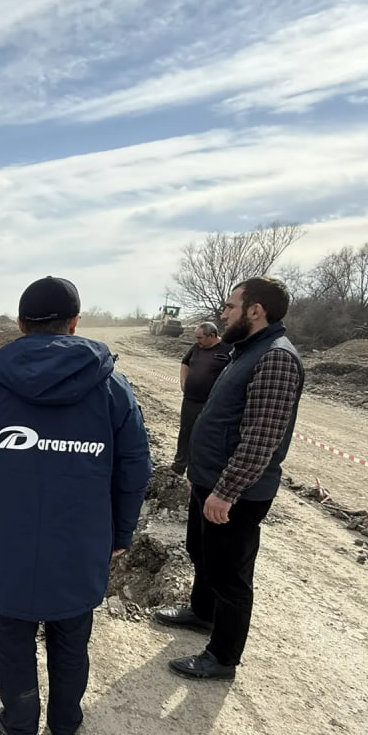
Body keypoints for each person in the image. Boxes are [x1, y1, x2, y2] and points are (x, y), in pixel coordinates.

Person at [0, 276, 153, 735]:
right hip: (81, 545)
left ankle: (19, 729)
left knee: (13, 640)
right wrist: (120, 532)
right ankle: (64, 726)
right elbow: (135, 468)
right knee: (71, 638)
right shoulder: (113, 388)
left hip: (6, 544)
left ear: (20, 324)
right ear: (74, 323)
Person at [154, 276, 305, 681]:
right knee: (201, 552)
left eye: (230, 306)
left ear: (256, 311)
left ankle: (222, 657)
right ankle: (202, 613)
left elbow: (262, 438)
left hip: (236, 492)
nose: (223, 314)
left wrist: (226, 491)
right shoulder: (246, 351)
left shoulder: (275, 357)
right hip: (211, 480)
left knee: (230, 575)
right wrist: (200, 476)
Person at [170, 321, 231, 476]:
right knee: (186, 431)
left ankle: (197, 469)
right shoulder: (197, 348)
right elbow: (185, 362)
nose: (197, 341)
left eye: (200, 338)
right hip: (190, 399)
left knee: (204, 435)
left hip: (210, 402)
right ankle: (179, 465)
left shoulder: (228, 349)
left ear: (212, 336)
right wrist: (184, 381)